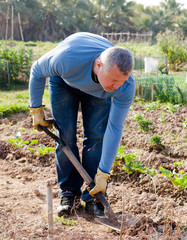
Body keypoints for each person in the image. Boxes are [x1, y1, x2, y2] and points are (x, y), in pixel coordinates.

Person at [28, 32, 135, 217]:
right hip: (65, 81)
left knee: (96, 137)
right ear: (99, 64)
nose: (118, 86)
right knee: (66, 137)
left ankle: (93, 195)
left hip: (99, 91)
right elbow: (37, 70)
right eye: (114, 80)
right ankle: (69, 194)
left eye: (122, 81)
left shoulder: (124, 86)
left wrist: (103, 173)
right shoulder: (66, 58)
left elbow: (115, 128)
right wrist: (36, 108)